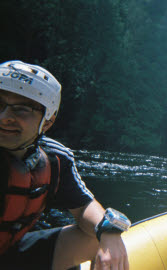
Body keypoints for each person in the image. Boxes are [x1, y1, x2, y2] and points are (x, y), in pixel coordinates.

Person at [0, 60, 131, 270]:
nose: (5, 117)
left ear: (48, 121)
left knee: (95, 239)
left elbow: (83, 207)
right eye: (0, 104)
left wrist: (108, 231)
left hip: (11, 252)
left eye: (21, 109)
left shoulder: (55, 158)